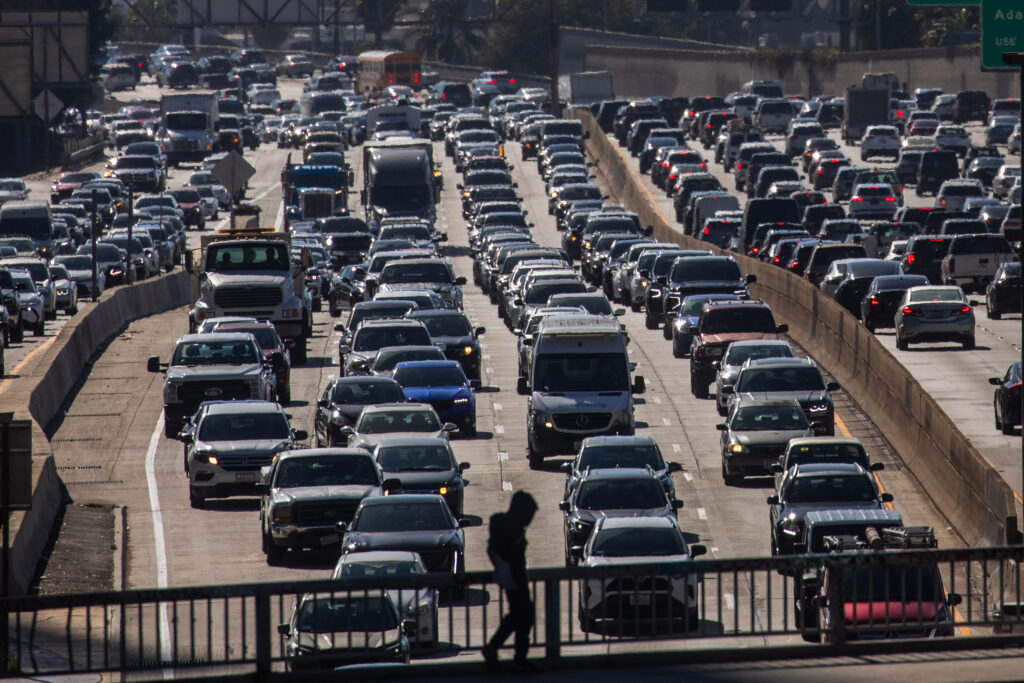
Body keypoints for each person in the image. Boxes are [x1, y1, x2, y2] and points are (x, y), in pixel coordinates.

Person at [482, 491, 539, 673]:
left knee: (518, 616)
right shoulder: (513, 531)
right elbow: (514, 559)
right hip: (515, 579)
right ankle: (515, 656)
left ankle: (500, 650)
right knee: (523, 616)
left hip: (511, 578)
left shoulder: (508, 528)